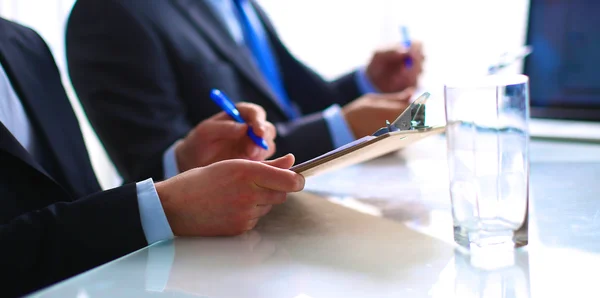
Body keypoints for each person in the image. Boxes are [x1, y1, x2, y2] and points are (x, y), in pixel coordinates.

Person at [0, 17, 304, 297]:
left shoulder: (24, 43)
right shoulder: (104, 18)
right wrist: (164, 208)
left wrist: (182, 164)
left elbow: (77, 200)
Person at [66, 0, 425, 183]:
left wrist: (367, 83)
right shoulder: (110, 12)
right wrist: (340, 128)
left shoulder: (238, 5)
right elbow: (158, 170)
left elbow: (288, 103)